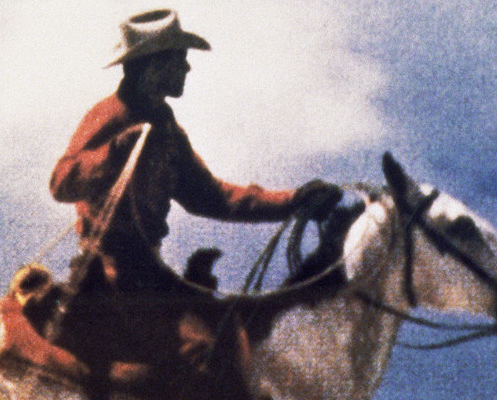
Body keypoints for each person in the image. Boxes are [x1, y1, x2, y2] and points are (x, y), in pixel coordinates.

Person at [43, 8, 343, 399]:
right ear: (153, 65)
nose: (186, 68)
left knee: (228, 333)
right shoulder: (110, 116)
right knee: (204, 352)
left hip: (146, 275)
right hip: (111, 279)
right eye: (178, 59)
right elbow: (61, 182)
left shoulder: (164, 126)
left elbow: (212, 197)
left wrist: (294, 201)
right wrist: (115, 151)